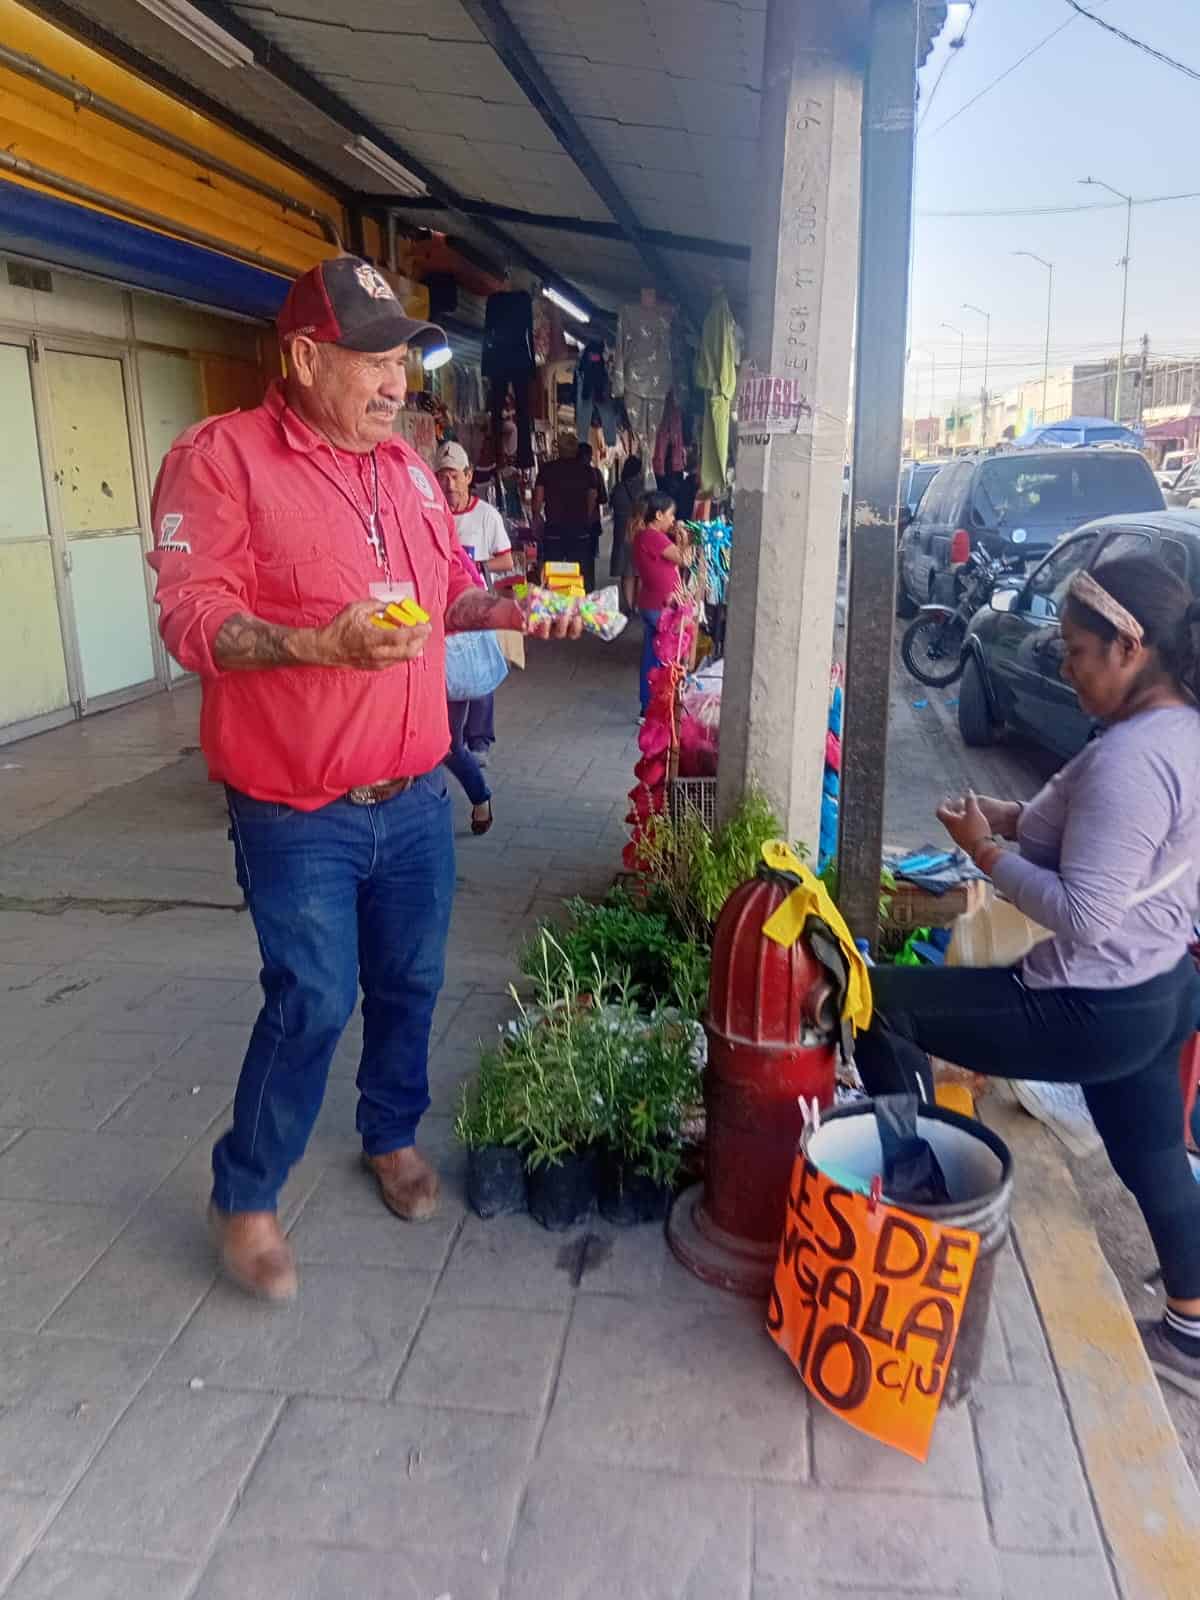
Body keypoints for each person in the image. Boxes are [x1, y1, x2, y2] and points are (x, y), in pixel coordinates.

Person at [146, 255, 578, 1304]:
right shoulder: (222, 461)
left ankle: (389, 1133)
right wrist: (315, 643)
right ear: (303, 356)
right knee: (312, 998)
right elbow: (190, 618)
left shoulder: (412, 473)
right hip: (297, 810)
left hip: (417, 798)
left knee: (411, 983)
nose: (396, 384)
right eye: (373, 361)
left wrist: (514, 607)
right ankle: (244, 1193)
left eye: (402, 361)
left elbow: (450, 597)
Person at [853, 555, 1200, 1398]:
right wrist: (1006, 821)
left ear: (1131, 647)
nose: (1065, 667)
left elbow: (1083, 909)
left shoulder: (1132, 761)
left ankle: (919, 1222)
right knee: (1151, 1150)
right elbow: (1086, 835)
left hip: (1094, 1000)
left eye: (1079, 652)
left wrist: (984, 853)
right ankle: (1191, 1329)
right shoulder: (1178, 729)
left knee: (875, 1007)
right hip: (1159, 987)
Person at [434, 441, 514, 779]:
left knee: (480, 678)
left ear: (468, 476)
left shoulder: (487, 515)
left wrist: (472, 564)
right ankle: (450, 742)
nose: (448, 484)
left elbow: (507, 560)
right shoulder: (430, 513)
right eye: (442, 477)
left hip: (478, 605)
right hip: (443, 611)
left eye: (454, 476)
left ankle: (479, 743)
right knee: (450, 679)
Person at [632, 491, 689, 720]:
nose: (673, 520)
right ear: (658, 515)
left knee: (652, 656)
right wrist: (684, 537)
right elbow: (684, 559)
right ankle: (654, 707)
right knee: (663, 658)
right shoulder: (653, 537)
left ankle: (648, 707)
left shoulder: (646, 536)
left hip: (652, 603)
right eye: (670, 515)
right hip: (659, 606)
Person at [532, 431, 597, 591]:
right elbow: (592, 496)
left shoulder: (547, 469)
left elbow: (538, 498)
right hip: (579, 529)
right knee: (580, 570)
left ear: (559, 449)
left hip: (554, 528)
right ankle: (582, 602)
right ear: (576, 450)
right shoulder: (587, 470)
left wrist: (537, 517)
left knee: (554, 570)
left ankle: (554, 602)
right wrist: (587, 517)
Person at [610, 454, 643, 607]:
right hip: (640, 530)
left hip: (621, 530)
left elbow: (611, 505)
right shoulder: (643, 487)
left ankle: (629, 606)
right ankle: (637, 605)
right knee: (640, 570)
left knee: (626, 570)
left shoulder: (618, 487)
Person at [578, 441, 607, 588]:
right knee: (589, 558)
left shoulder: (569, 473)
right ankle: (588, 587)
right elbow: (603, 498)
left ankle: (574, 586)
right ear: (589, 456)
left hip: (570, 522)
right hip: (591, 523)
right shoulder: (595, 473)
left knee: (573, 557)